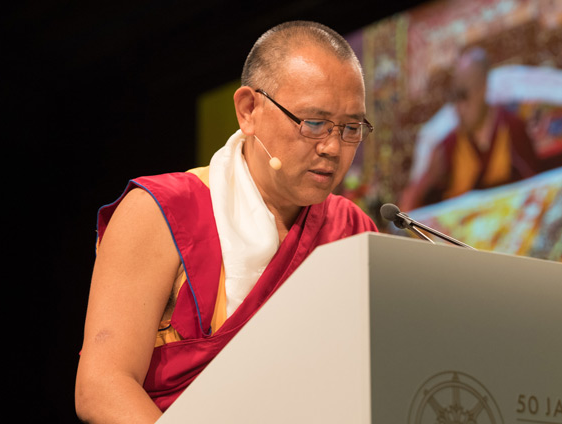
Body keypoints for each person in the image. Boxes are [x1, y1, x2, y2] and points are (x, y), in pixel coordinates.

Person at [75, 21, 378, 423]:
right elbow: (102, 386)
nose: (332, 147)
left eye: (351, 128)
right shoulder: (161, 211)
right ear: (248, 110)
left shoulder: (351, 232)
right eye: (314, 123)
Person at [399, 47, 549, 211]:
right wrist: (428, 178)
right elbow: (408, 208)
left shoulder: (512, 128)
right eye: (454, 97)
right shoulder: (447, 146)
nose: (458, 108)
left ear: (483, 88)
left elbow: (540, 193)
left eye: (464, 96)